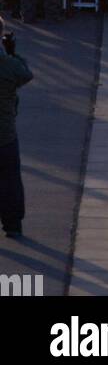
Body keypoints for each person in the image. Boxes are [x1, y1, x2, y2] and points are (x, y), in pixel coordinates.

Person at [0, 16, 32, 238]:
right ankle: (12, 224)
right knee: (10, 179)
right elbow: (25, 74)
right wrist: (11, 53)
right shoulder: (9, 66)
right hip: (4, 133)